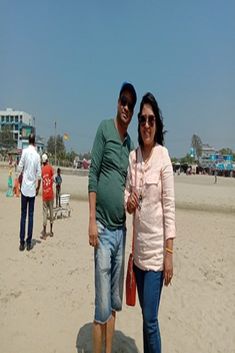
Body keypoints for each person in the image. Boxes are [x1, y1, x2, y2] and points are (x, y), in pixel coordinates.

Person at [125, 92, 176, 353]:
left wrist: (169, 254)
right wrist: (128, 202)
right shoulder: (133, 158)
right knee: (146, 320)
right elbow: (126, 192)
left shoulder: (163, 156)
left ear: (157, 125)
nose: (146, 125)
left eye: (151, 120)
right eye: (143, 120)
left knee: (151, 320)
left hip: (157, 257)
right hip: (138, 257)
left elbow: (169, 209)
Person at [88, 82, 137, 353]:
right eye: (123, 101)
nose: (126, 107)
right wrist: (91, 220)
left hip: (121, 231)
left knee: (115, 302)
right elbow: (93, 173)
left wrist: (130, 204)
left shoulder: (130, 144)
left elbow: (127, 187)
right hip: (103, 230)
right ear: (117, 102)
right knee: (101, 305)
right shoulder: (104, 129)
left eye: (130, 103)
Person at [18, 133, 41, 251]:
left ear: (28, 141)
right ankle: (28, 243)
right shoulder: (37, 156)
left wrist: (20, 177)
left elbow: (19, 167)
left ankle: (21, 242)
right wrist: (37, 188)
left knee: (23, 216)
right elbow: (39, 175)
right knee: (31, 216)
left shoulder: (25, 152)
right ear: (35, 142)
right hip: (32, 189)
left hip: (24, 189)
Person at [41, 153, 54, 239]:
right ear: (47, 160)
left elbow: (42, 179)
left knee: (45, 213)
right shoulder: (50, 168)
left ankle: (44, 232)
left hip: (45, 195)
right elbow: (52, 179)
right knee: (51, 212)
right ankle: (51, 231)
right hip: (51, 194)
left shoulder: (42, 170)